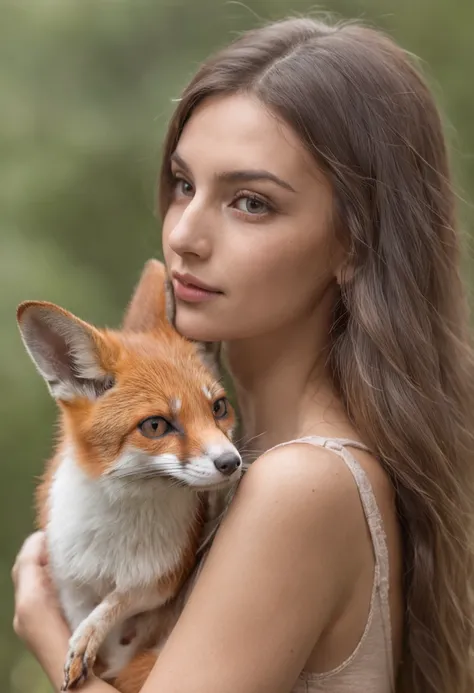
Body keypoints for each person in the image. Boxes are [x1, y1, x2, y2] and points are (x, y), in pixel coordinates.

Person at [11, 15, 474, 693]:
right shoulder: (254, 461)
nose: (186, 234)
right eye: (183, 184)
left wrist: (45, 629)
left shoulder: (300, 485)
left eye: (251, 202)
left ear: (355, 244)